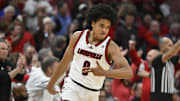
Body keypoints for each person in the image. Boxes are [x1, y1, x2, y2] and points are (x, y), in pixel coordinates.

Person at [47, 3, 133, 101]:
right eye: (101, 26)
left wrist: (104, 72)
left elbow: (128, 72)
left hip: (93, 93)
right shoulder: (77, 37)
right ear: (93, 23)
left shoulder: (110, 47)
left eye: (107, 27)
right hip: (72, 87)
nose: (104, 30)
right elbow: (64, 62)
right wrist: (51, 83)